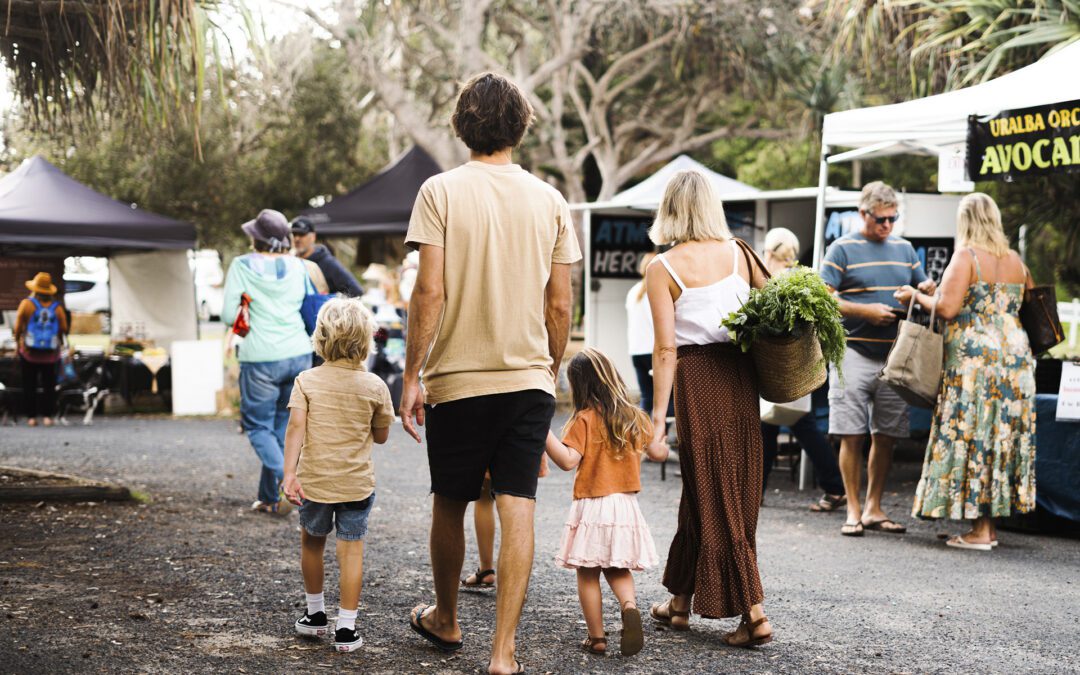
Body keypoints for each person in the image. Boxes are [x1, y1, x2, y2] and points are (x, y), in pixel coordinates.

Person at [400, 72, 580, 675]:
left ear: (461, 125)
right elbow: (561, 304)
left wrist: (411, 376)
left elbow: (429, 292)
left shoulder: (439, 192)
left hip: (456, 380)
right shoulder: (550, 200)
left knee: (450, 501)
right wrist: (548, 369)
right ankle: (503, 652)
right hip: (528, 378)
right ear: (520, 127)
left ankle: (447, 619)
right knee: (518, 503)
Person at [645, 170, 773, 648]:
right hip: (741, 376)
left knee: (716, 491)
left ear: (670, 210)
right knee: (716, 486)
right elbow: (776, 307)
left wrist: (657, 422)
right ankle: (679, 603)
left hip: (697, 379)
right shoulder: (741, 253)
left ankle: (755, 614)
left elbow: (665, 350)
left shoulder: (663, 268)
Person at [896, 193, 1036, 551]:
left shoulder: (966, 256)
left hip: (975, 363)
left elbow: (947, 308)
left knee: (974, 436)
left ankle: (980, 531)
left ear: (966, 221)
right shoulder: (1016, 260)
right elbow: (1028, 303)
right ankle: (988, 526)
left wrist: (915, 296)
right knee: (999, 438)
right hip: (1015, 361)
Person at [820, 181, 937, 537]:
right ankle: (853, 511)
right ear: (863, 214)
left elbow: (922, 287)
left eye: (893, 218)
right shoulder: (841, 248)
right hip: (852, 352)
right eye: (881, 219)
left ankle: (873, 508)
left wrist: (923, 290)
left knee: (886, 435)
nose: (887, 225)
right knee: (851, 435)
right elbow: (823, 297)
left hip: (895, 356)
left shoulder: (905, 249)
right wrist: (865, 311)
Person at [281, 297, 394, 652]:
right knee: (352, 552)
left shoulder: (306, 381)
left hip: (314, 483)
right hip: (356, 484)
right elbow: (381, 435)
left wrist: (289, 474)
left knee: (312, 544)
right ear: (366, 341)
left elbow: (295, 428)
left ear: (320, 338)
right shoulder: (375, 386)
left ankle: (315, 615)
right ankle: (346, 629)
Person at [544, 348, 666, 657]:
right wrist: (663, 445)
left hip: (593, 505)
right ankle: (629, 606)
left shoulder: (584, 419)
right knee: (617, 567)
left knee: (588, 573)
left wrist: (542, 432)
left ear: (579, 386)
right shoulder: (634, 418)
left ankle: (597, 638)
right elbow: (657, 452)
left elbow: (568, 461)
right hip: (625, 508)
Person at [223, 209, 314, 515]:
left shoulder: (241, 265)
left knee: (257, 426)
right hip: (298, 353)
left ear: (256, 238)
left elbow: (228, 315)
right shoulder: (298, 265)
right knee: (280, 427)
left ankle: (291, 482)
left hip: (261, 357)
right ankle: (270, 498)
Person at [759, 228, 846, 512]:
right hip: (799, 366)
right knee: (782, 426)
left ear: (768, 251)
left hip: (778, 367)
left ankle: (834, 487)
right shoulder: (801, 280)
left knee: (777, 426)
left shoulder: (770, 281)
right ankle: (834, 487)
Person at [13, 272, 69, 427]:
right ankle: (47, 416)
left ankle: (31, 417)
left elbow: (18, 327)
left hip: (29, 352)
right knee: (49, 386)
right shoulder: (57, 307)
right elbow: (64, 328)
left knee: (29, 384)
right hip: (50, 354)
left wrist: (18, 342)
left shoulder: (27, 304)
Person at [290, 217, 364, 297]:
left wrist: (328, 299)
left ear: (313, 237)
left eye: (301, 234)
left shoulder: (327, 263)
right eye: (294, 234)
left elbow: (356, 291)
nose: (297, 238)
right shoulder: (290, 261)